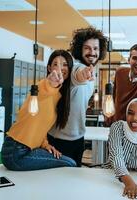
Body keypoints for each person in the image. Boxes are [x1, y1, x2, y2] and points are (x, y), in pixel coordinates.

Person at [1, 50, 77, 170]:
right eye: (55, 64)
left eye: (65, 64)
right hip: (15, 151)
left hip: (25, 149)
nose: (60, 68)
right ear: (49, 68)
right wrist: (51, 84)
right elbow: (45, 89)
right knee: (70, 163)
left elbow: (40, 126)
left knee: (69, 162)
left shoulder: (58, 96)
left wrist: (45, 145)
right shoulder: (42, 87)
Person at [47, 26, 108, 167]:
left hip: (78, 139)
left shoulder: (93, 70)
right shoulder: (74, 67)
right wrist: (84, 74)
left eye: (95, 48)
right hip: (59, 140)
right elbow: (78, 75)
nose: (92, 52)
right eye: (87, 48)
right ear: (80, 49)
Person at [105, 43, 137, 126]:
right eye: (135, 58)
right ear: (129, 60)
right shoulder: (120, 72)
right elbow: (114, 96)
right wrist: (109, 118)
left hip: (134, 128)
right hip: (115, 124)